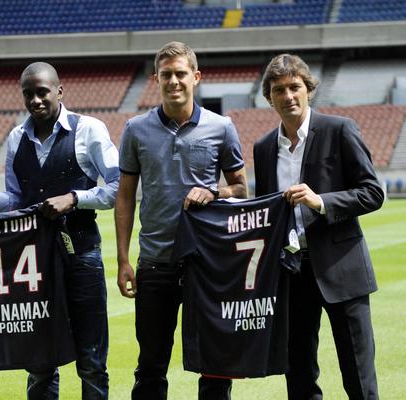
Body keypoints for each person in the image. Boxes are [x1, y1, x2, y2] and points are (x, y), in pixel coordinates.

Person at [115, 41, 248, 400]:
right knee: (151, 364)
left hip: (207, 265)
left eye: (180, 73)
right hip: (155, 263)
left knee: (214, 364)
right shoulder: (135, 129)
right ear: (156, 79)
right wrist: (124, 260)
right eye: (166, 75)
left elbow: (241, 189)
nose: (173, 81)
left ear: (196, 77)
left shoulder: (222, 127)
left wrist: (215, 192)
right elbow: (124, 195)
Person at [253, 53, 384, 400]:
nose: (288, 96)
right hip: (291, 273)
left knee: (359, 376)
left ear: (308, 89)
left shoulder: (339, 129)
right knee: (298, 375)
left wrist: (321, 201)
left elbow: (373, 193)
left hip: (342, 269)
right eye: (279, 90)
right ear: (269, 97)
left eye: (294, 87)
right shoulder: (263, 148)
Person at [0, 61, 118, 399]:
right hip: (35, 261)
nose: (35, 100)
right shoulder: (16, 138)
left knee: (91, 360)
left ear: (59, 91)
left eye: (42, 92)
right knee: (39, 362)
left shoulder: (89, 129)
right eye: (28, 94)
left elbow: (119, 187)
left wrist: (75, 198)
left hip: (83, 255)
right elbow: (16, 199)